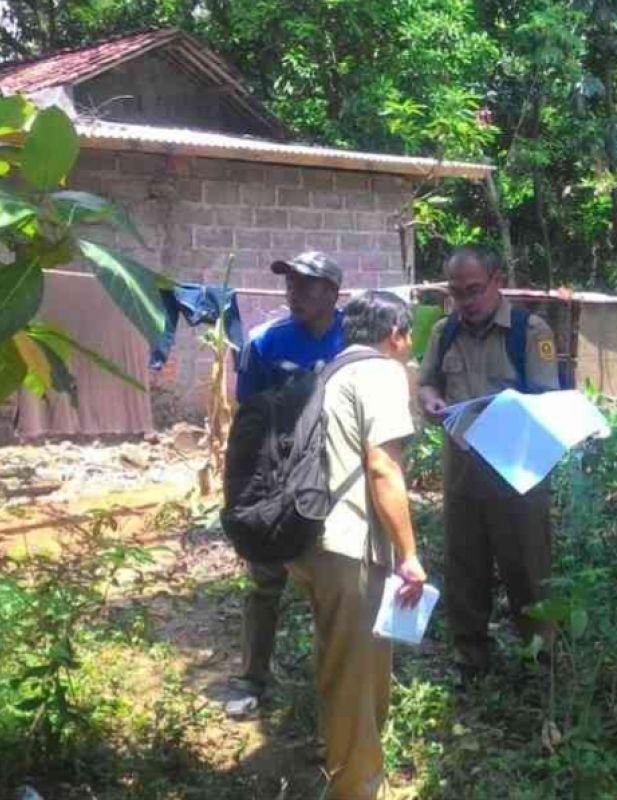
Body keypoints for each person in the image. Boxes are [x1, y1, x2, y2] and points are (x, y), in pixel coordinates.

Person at [288, 290, 425, 800]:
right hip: (349, 546)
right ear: (396, 334)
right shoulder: (382, 372)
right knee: (355, 676)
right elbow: (383, 466)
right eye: (409, 337)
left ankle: (352, 768)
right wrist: (409, 555)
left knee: (341, 663)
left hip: (313, 542)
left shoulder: (331, 371)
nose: (409, 347)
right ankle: (356, 790)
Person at [416, 245, 560, 682]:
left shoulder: (529, 330)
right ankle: (470, 656)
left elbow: (547, 402)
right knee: (464, 569)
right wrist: (431, 401)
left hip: (516, 475)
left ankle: (539, 658)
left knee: (528, 570)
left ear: (497, 280)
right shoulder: (444, 332)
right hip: (462, 474)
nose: (467, 301)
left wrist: (507, 410)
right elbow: (426, 383)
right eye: (457, 293)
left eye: (475, 290)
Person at [228, 251, 344, 714]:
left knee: (334, 581)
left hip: (337, 470)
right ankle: (252, 679)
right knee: (265, 576)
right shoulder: (266, 343)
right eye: (290, 283)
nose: (294, 292)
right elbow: (249, 418)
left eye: (307, 284)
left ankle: (334, 687)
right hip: (279, 470)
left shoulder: (353, 339)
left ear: (333, 293)